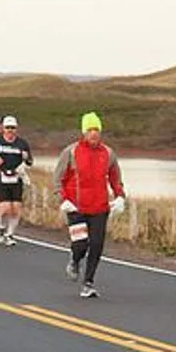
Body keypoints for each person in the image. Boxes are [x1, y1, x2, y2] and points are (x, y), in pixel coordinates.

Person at [55, 112, 126, 299]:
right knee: (80, 244)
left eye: (96, 130)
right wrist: (63, 199)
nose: (93, 133)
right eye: (90, 130)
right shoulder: (71, 152)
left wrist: (120, 197)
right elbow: (58, 178)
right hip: (76, 208)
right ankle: (75, 259)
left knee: (96, 245)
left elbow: (115, 178)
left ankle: (88, 283)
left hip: (100, 208)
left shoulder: (108, 153)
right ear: (84, 132)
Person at [0, 115, 32, 246]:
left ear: (16, 129)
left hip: (16, 177)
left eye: (13, 128)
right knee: (5, 207)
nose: (10, 130)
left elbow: (30, 161)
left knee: (17, 208)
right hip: (1, 177)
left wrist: (26, 159)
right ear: (3, 128)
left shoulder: (22, 143)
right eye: (8, 128)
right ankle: (1, 229)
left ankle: (10, 234)